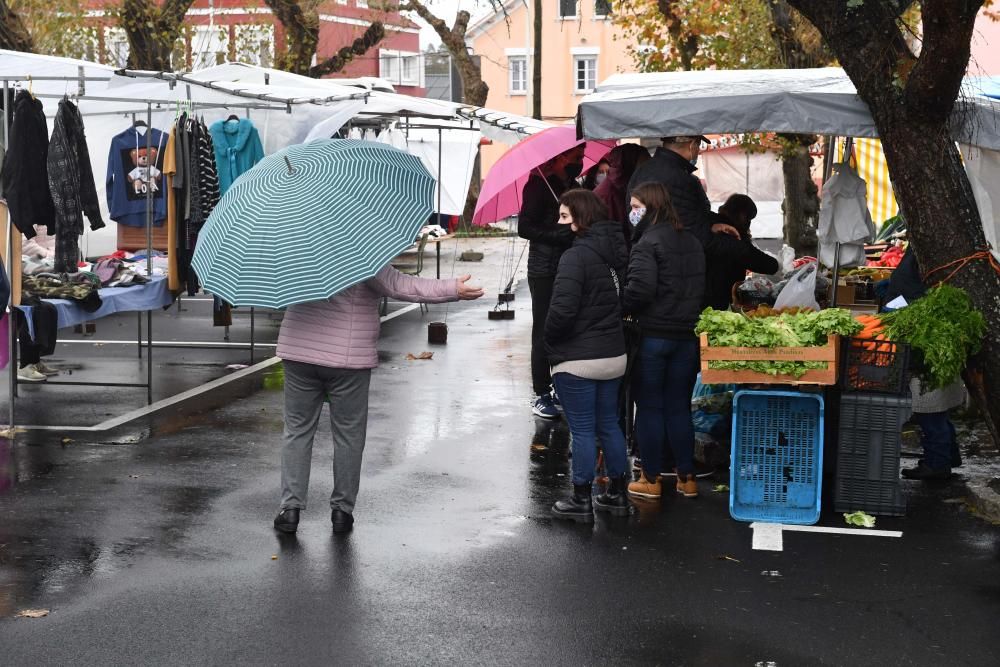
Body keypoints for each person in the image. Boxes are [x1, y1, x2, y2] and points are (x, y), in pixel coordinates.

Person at [273, 267, 484, 534]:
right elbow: (400, 286)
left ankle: (289, 510)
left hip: (298, 351)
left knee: (297, 431)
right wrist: (452, 288)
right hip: (348, 358)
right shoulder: (360, 249)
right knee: (349, 433)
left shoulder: (296, 245)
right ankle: (342, 511)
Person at [544, 189, 630, 522]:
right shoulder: (612, 253)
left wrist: (549, 341)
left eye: (565, 217)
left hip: (579, 359)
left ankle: (581, 500)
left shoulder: (575, 257)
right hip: (613, 355)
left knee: (581, 429)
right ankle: (617, 494)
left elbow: (562, 311)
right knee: (608, 423)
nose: (560, 223)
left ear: (581, 219)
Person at [623, 182, 706, 499]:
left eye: (635, 207)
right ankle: (687, 478)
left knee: (649, 408)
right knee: (678, 407)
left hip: (654, 337)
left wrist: (622, 300)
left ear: (651, 207)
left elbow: (640, 291)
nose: (632, 213)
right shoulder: (693, 241)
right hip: (686, 337)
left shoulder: (647, 243)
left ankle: (651, 478)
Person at [882, 248, 964, 480]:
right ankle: (949, 455)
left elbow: (916, 292)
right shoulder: (924, 249)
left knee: (932, 410)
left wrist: (894, 303)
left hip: (927, 346)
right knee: (938, 410)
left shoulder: (934, 256)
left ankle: (937, 464)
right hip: (931, 342)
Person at [518, 144, 585, 419]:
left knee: (565, 326)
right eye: (574, 157)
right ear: (558, 157)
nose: (578, 162)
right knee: (543, 329)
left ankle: (559, 385)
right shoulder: (537, 185)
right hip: (544, 268)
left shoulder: (568, 183)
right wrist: (558, 234)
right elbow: (525, 227)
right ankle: (541, 391)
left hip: (566, 264)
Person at [626, 136, 738, 245]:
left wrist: (712, 225)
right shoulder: (681, 178)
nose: (698, 151)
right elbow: (694, 232)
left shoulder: (642, 170)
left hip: (645, 251)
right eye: (698, 145)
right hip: (671, 256)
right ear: (692, 145)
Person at [703, 194, 780, 310]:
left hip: (706, 295)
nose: (749, 223)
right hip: (718, 300)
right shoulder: (729, 233)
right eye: (748, 219)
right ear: (741, 215)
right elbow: (756, 259)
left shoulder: (710, 224)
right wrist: (779, 265)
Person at [593, 144, 651, 248]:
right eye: (643, 165)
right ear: (630, 164)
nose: (646, 169)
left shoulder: (629, 186)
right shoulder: (605, 194)